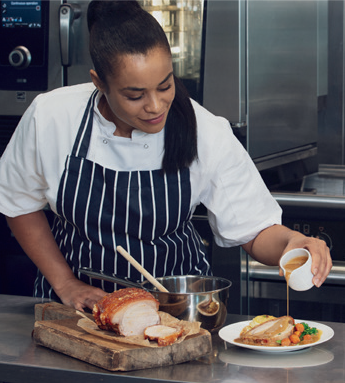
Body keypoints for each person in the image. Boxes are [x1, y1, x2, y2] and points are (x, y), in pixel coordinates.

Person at [0, 0, 332, 311]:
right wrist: (66, 283)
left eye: (165, 85)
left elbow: (255, 230)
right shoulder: (52, 117)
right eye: (135, 95)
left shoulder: (204, 130)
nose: (156, 106)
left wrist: (295, 241)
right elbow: (18, 204)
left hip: (175, 314)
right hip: (77, 314)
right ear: (99, 83)